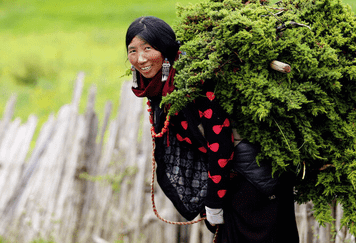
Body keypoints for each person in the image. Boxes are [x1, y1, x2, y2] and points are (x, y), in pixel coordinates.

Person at [126, 16, 299, 243]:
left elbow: (220, 142)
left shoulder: (194, 81)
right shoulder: (163, 87)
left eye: (148, 48)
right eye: (132, 50)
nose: (140, 59)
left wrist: (214, 202)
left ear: (166, 49)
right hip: (234, 183)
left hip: (254, 183)